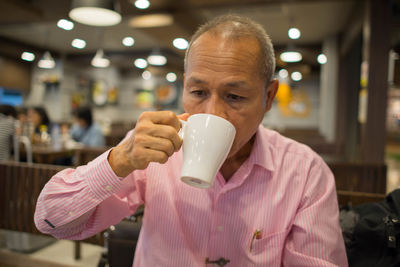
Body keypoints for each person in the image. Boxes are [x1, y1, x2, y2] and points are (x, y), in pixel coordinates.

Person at [34, 14, 348, 266]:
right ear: (184, 87)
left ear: (268, 97)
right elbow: (51, 222)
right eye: (198, 93)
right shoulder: (153, 150)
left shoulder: (305, 172)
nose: (212, 112)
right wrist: (118, 161)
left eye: (234, 96)